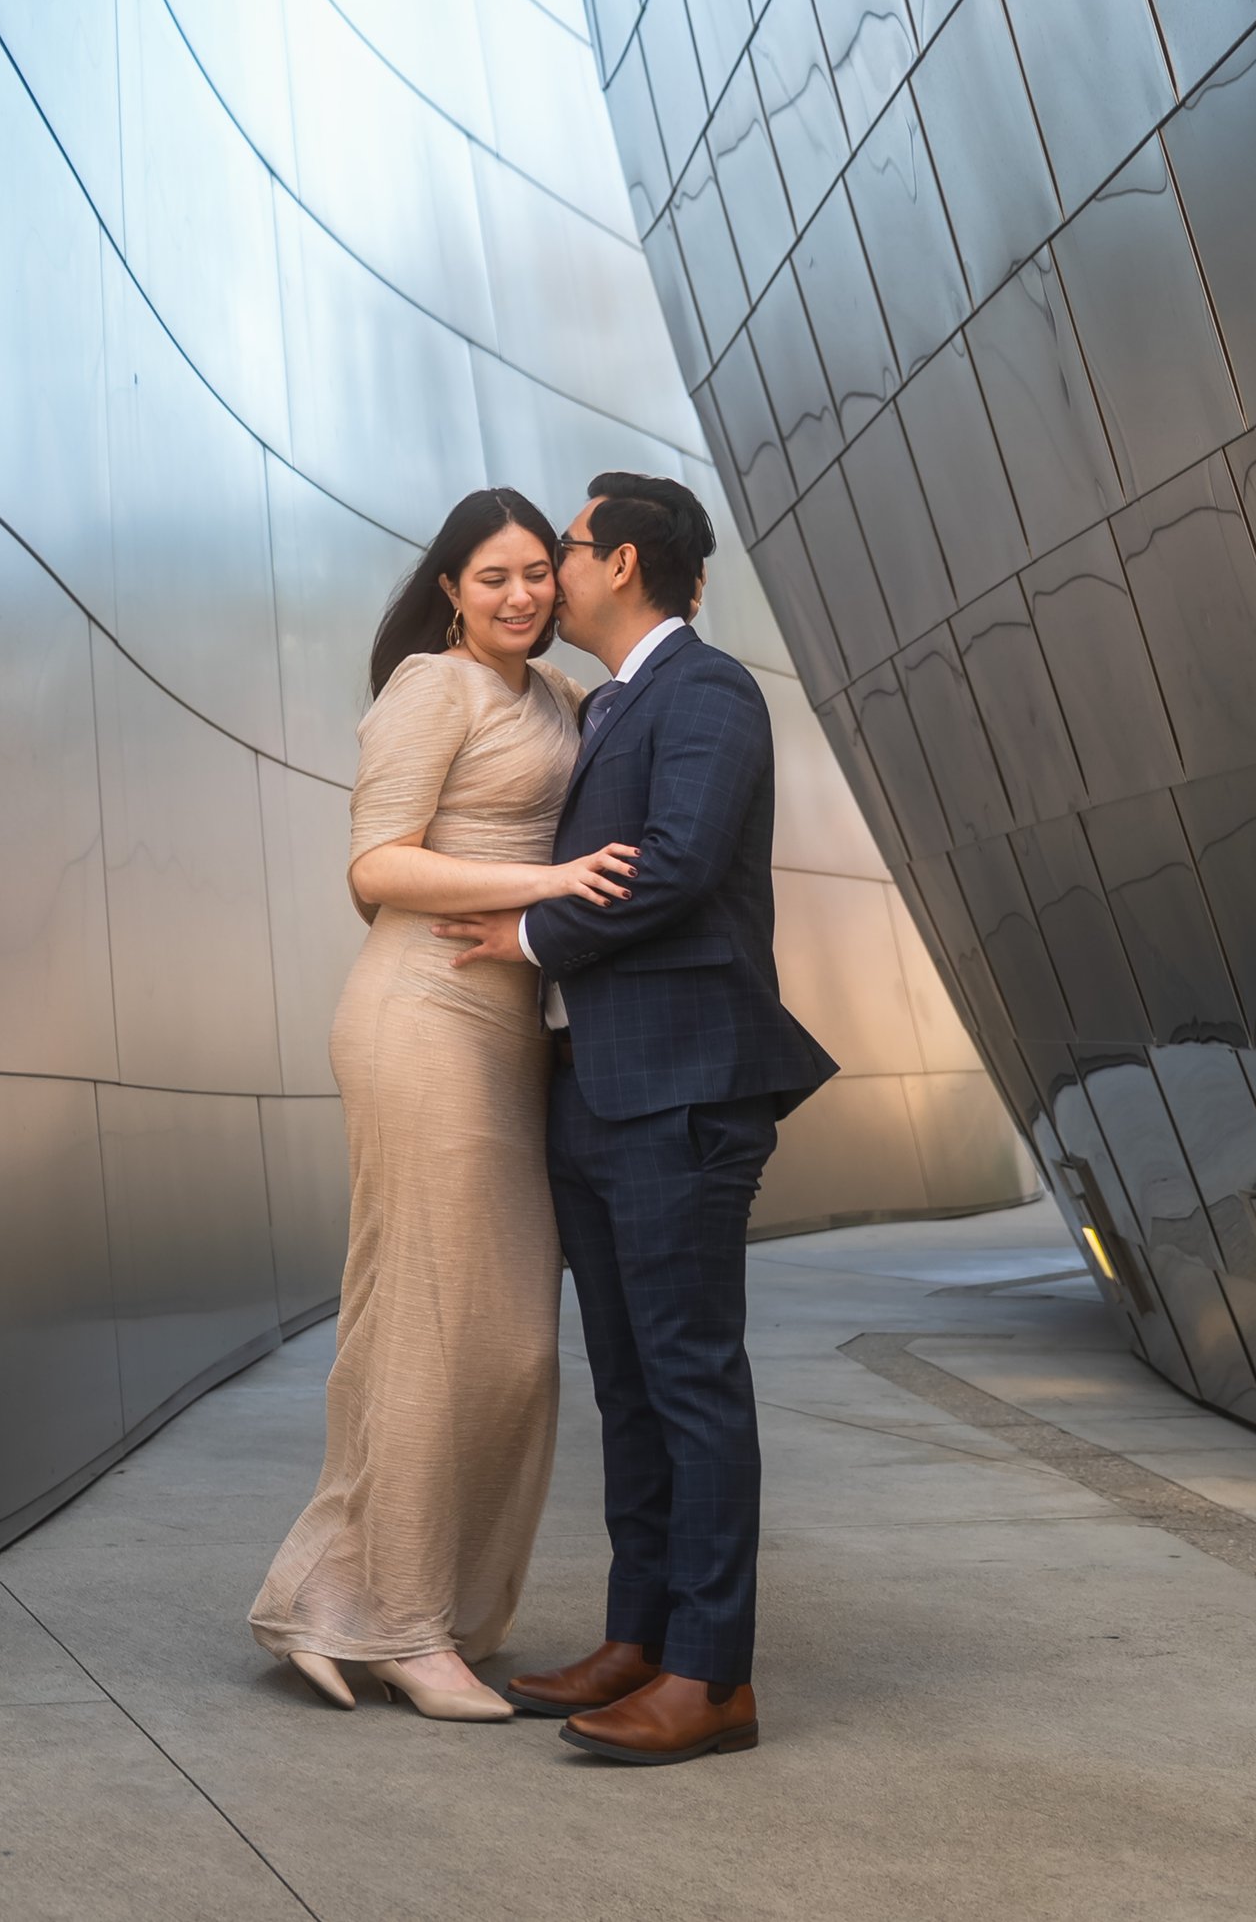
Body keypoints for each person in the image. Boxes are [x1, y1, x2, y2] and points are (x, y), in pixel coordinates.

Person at [436, 473, 836, 1767]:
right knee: (632, 1388)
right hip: (598, 1092)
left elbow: (673, 862)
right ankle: (642, 1633)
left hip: (682, 1092)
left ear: (619, 563)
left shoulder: (706, 691)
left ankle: (713, 1674)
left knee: (691, 1381)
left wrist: (530, 930)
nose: (551, 569)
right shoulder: (610, 703)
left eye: (566, 546)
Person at [248, 487, 636, 1721]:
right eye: (492, 579)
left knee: (511, 1343)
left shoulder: (557, 698)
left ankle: (387, 1605)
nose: (521, 596)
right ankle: (399, 1626)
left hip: (508, 1030)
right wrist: (552, 878)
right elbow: (375, 867)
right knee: (425, 1318)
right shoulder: (432, 686)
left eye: (537, 573)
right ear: (448, 592)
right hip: (421, 1016)